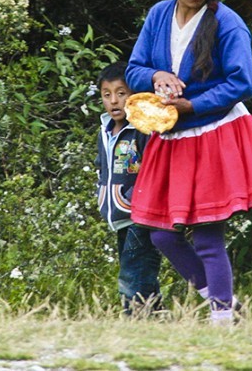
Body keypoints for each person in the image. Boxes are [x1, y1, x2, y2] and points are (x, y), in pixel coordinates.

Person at [125, 0, 252, 324]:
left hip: (213, 132)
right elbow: (134, 67)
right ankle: (221, 299)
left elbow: (243, 83)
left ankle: (221, 319)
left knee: (208, 233)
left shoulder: (227, 23)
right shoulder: (158, 16)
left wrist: (192, 104)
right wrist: (156, 77)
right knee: (160, 232)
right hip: (170, 135)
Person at [94, 61, 162, 315]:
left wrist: (134, 198)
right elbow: (102, 166)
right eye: (107, 94)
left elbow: (153, 169)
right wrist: (102, 195)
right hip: (120, 216)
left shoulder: (142, 130)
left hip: (140, 216)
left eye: (121, 93)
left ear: (134, 96)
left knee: (134, 270)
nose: (114, 101)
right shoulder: (105, 130)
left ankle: (134, 316)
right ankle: (154, 314)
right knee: (138, 268)